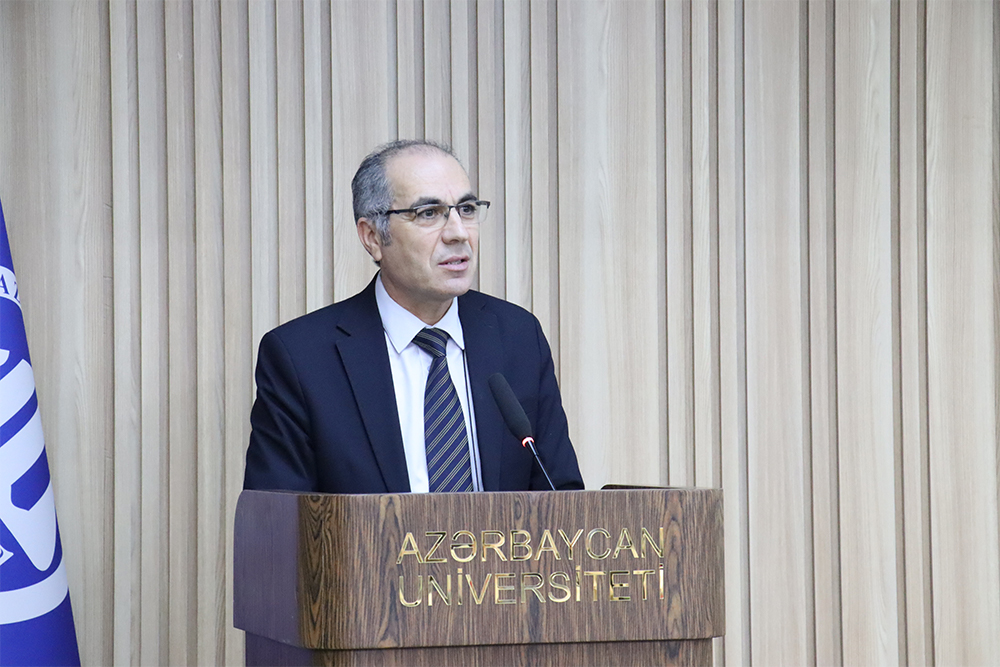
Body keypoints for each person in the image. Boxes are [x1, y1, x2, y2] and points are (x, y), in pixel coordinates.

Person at [244, 139, 583, 493]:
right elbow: (277, 517)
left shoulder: (518, 337)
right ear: (373, 237)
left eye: (467, 209)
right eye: (429, 213)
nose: (458, 233)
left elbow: (561, 498)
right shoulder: (303, 359)